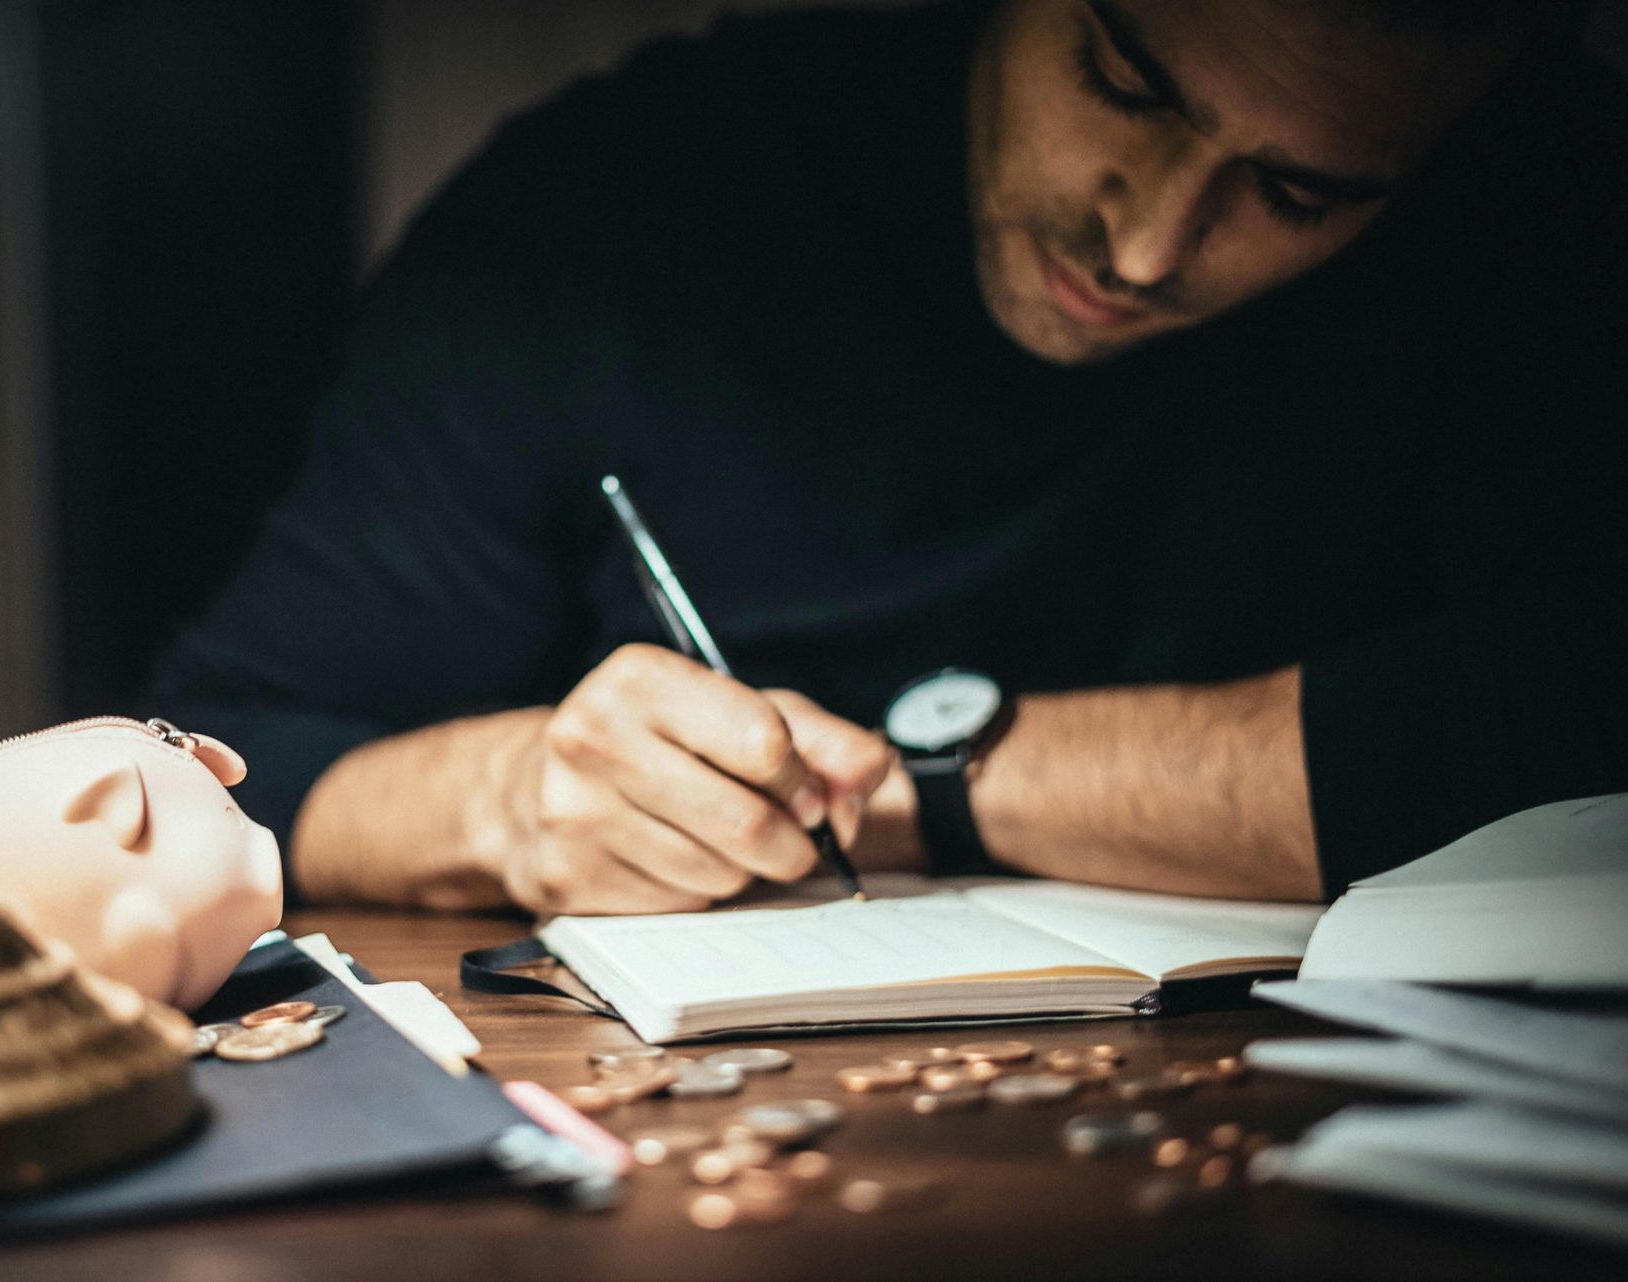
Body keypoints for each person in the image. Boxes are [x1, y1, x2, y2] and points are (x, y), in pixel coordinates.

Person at [154, 0, 1628, 917]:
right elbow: (235, 756)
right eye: (1124, 80)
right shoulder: (613, 212)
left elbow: (1578, 712)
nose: (1147, 242)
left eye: (1300, 192)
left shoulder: (1549, 224)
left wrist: (926, 785)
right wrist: (511, 796)